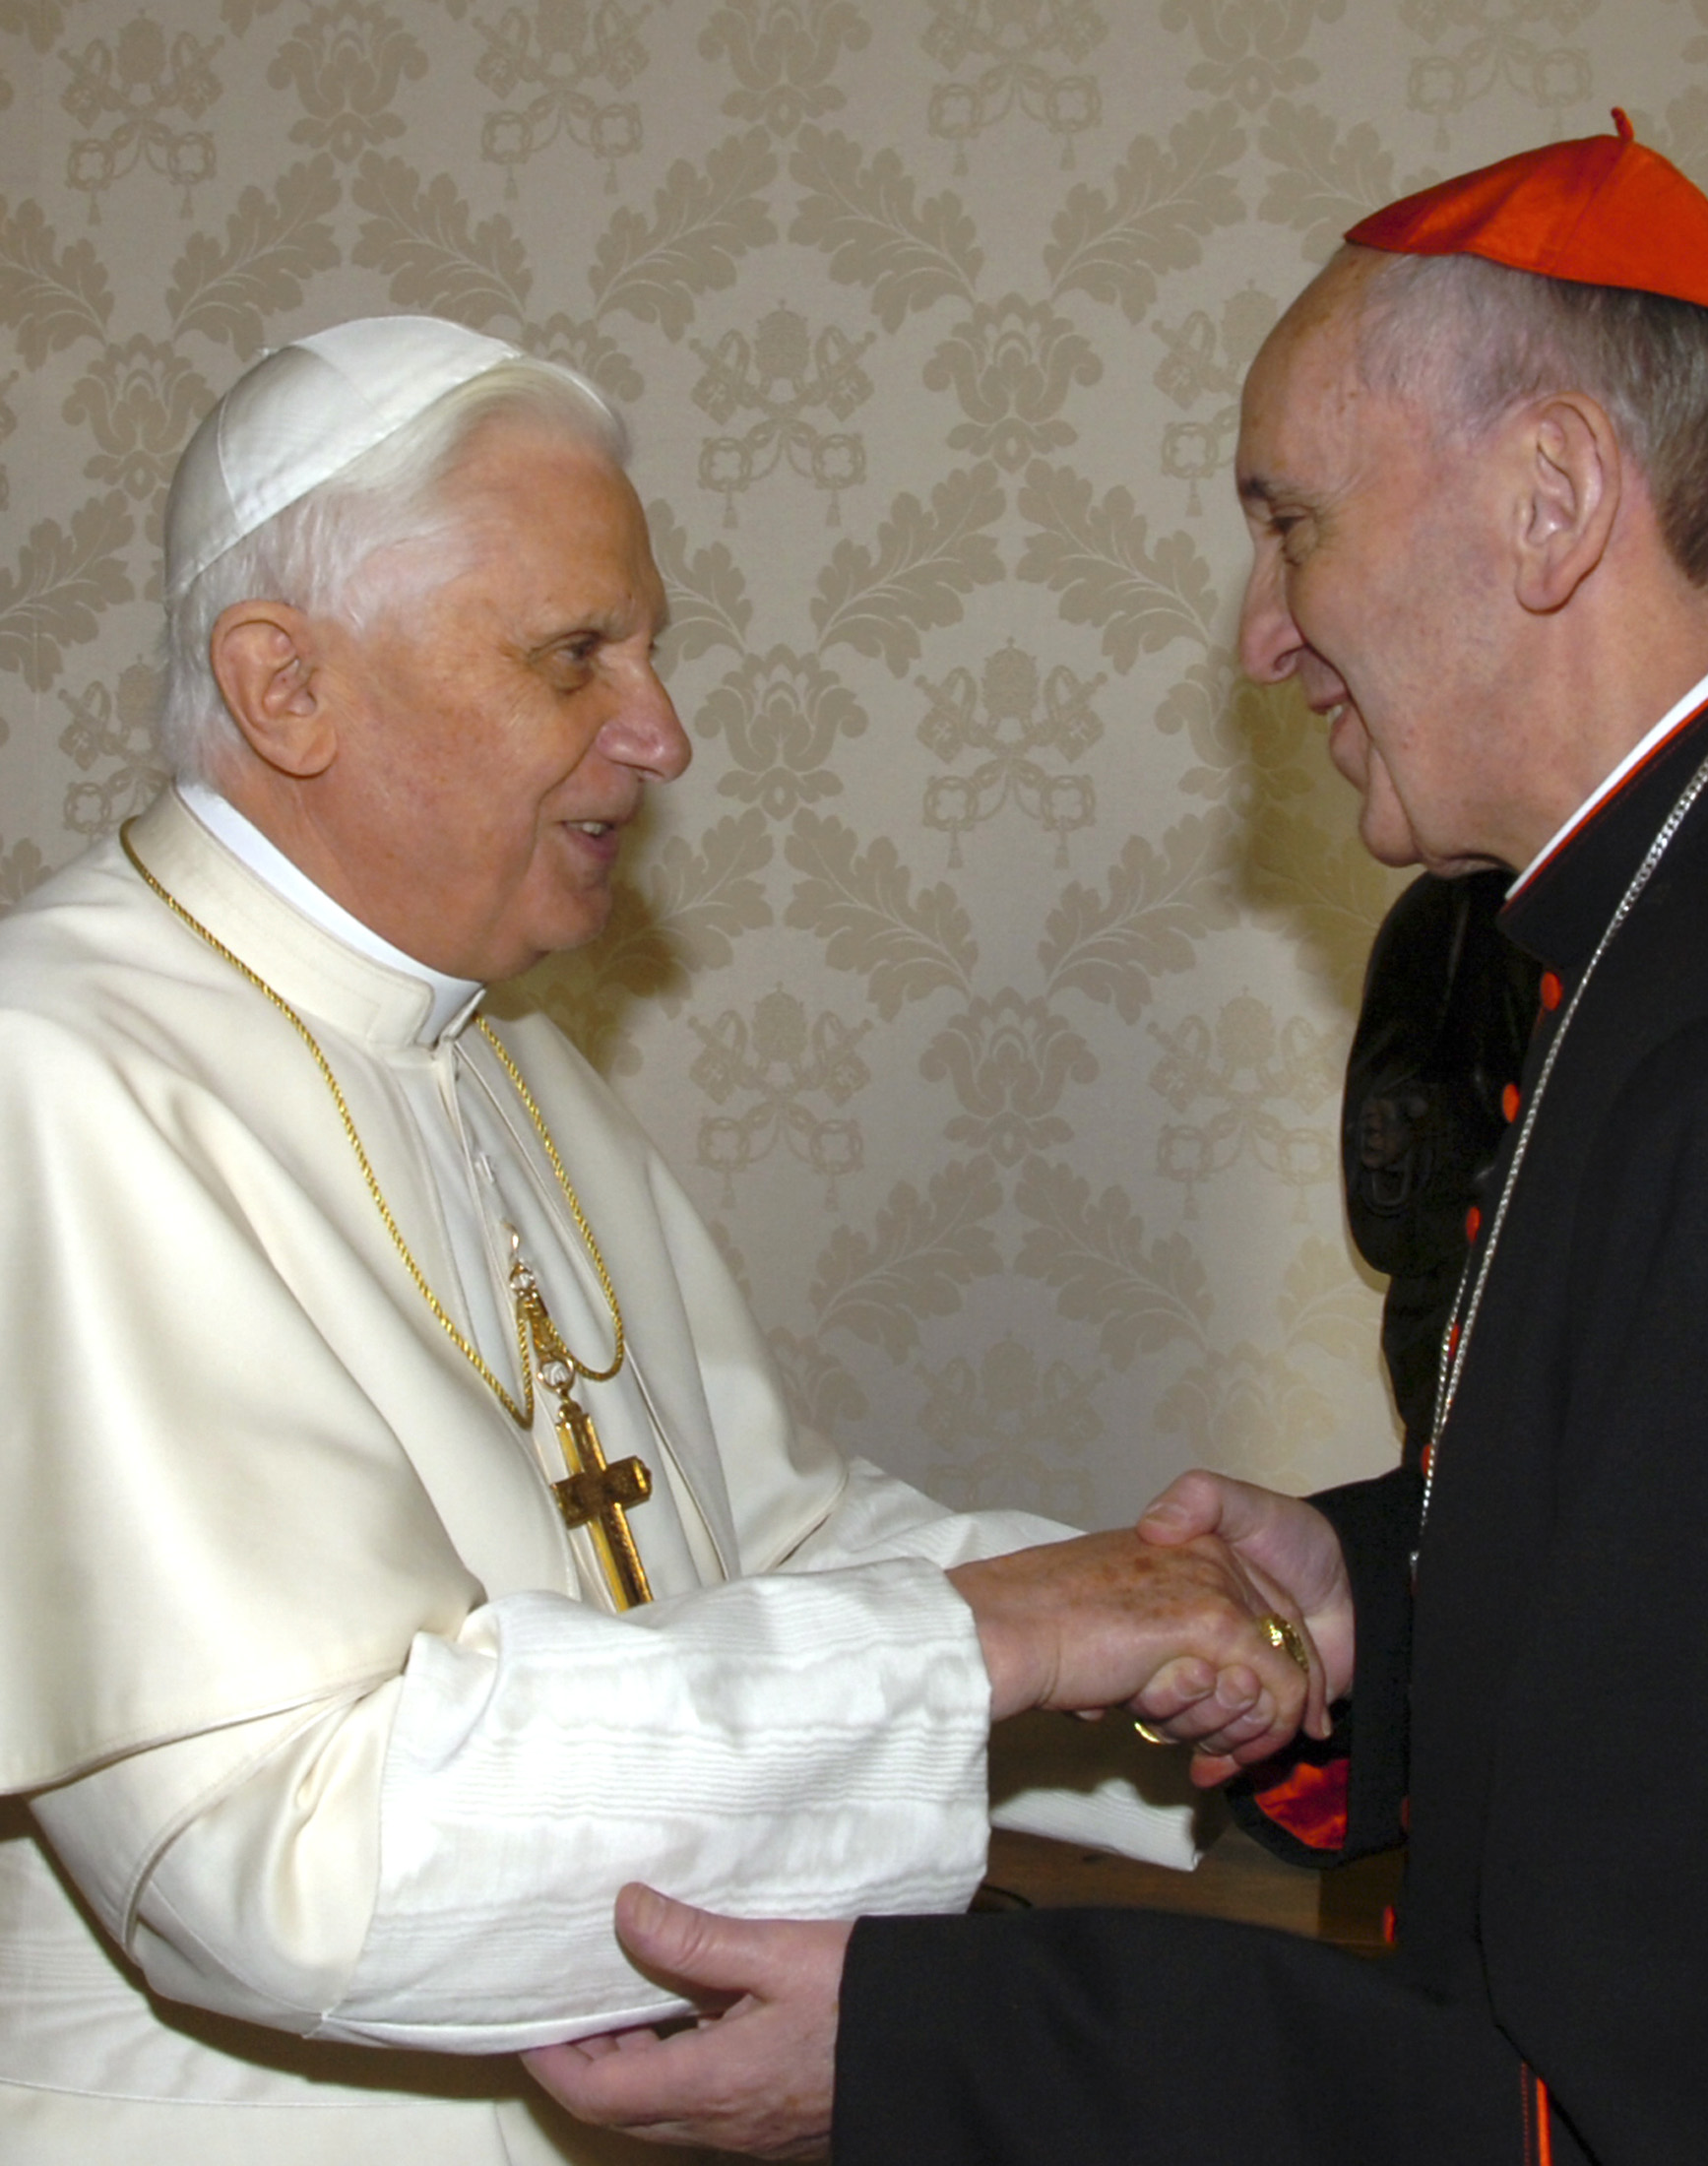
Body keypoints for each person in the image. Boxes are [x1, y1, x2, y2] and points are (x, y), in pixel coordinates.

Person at [524, 113, 1708, 2164]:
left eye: (1291, 522)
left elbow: (1667, 2102)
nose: (1258, 632)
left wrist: (943, 2039)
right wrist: (1368, 1581)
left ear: (1551, 499)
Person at [0, 317, 1327, 2165]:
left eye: (649, 647)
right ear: (284, 685)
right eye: (573, 657)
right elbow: (287, 1851)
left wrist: (1186, 1637)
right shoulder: (54, 1076)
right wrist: (981, 1645)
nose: (662, 731)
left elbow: (761, 1552)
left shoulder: (503, 1053)